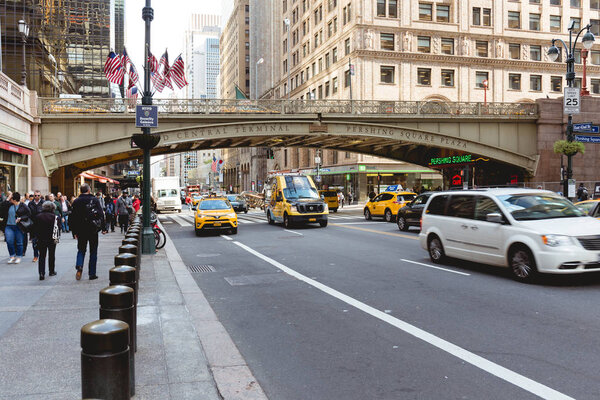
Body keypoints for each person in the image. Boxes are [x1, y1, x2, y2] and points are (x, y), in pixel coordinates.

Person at [70, 184, 106, 280]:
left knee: (81, 249)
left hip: (81, 230)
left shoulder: (76, 201)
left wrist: (74, 232)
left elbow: (72, 218)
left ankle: (79, 265)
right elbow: (101, 214)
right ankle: (92, 273)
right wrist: (103, 228)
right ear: (89, 190)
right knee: (93, 251)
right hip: (92, 229)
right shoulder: (94, 200)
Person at [0, 192, 32, 264]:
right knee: (9, 241)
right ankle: (12, 256)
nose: (10, 199)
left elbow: (29, 214)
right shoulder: (9, 205)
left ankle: (19, 256)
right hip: (9, 226)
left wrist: (21, 218)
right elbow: (1, 206)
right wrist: (8, 198)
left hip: (19, 226)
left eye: (11, 198)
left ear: (14, 200)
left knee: (19, 242)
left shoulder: (23, 206)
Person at [32, 201, 60, 280]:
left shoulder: (38, 216)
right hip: (52, 238)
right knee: (52, 254)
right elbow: (59, 227)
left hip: (41, 238)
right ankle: (51, 271)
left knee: (42, 256)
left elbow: (34, 228)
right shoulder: (55, 217)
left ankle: (41, 273)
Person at [28, 190, 44, 262]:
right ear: (33, 196)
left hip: (42, 225)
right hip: (33, 225)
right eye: (35, 195)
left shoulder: (43, 203)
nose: (37, 197)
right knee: (34, 241)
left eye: (38, 195)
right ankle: (35, 255)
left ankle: (41, 253)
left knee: (41, 240)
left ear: (40, 196)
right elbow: (28, 214)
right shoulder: (30, 203)